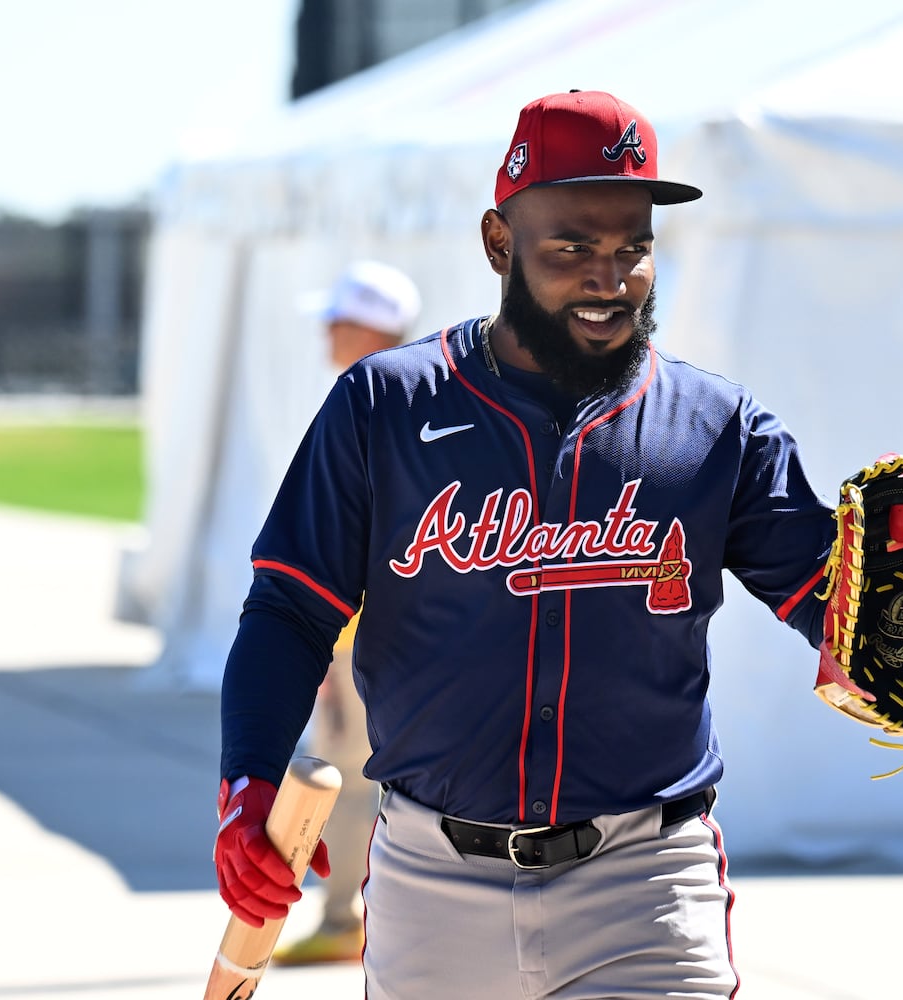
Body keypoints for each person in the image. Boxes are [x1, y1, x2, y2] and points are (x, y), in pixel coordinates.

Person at [212, 90, 838, 998]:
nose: (608, 277)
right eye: (572, 247)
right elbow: (288, 610)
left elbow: (836, 608)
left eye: (632, 249)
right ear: (499, 243)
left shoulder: (715, 426)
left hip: (643, 882)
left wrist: (894, 629)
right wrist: (248, 781)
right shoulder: (385, 406)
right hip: (433, 883)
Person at [270, 259, 422, 966]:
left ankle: (348, 918)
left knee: (348, 775)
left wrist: (328, 641)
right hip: (387, 632)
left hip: (361, 632)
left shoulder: (370, 406)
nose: (327, 332)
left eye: (337, 318)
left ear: (367, 326)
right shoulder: (419, 401)